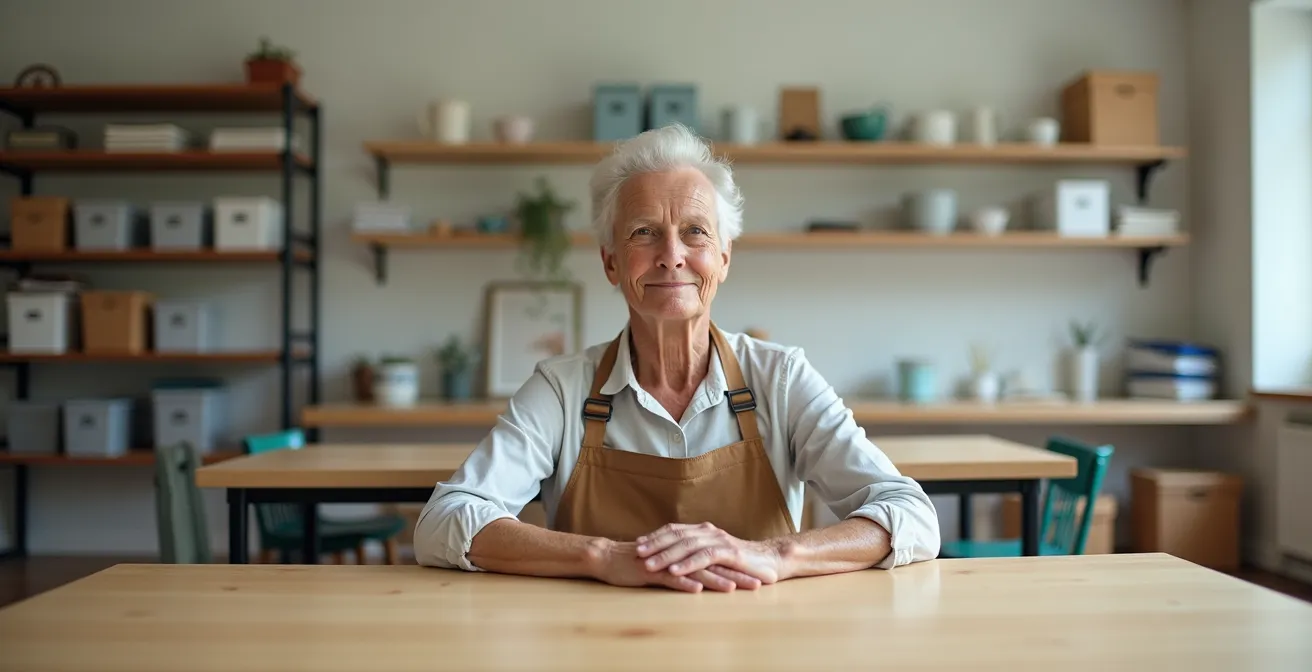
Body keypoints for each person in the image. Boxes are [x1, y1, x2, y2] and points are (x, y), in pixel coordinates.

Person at [414, 123, 940, 592]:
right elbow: (445, 519)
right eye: (643, 232)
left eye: (695, 231)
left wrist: (775, 555)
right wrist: (604, 555)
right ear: (611, 263)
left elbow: (911, 514)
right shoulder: (561, 388)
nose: (672, 254)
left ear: (724, 257)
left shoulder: (780, 378)